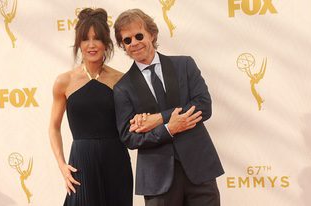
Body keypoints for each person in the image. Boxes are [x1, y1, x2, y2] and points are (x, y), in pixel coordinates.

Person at [113, 9, 224, 206]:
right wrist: (168, 129)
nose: (134, 43)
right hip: (158, 179)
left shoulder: (184, 64)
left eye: (139, 36)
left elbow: (204, 106)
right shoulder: (123, 87)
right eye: (127, 40)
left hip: (199, 170)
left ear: (152, 34)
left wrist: (158, 119)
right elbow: (129, 137)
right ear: (123, 45)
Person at [48, 8, 133, 206]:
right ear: (79, 43)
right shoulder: (64, 81)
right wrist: (62, 165)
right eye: (86, 39)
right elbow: (53, 127)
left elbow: (133, 123)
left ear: (107, 44)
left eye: (98, 39)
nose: (92, 45)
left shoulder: (122, 81)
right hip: (81, 163)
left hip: (116, 161)